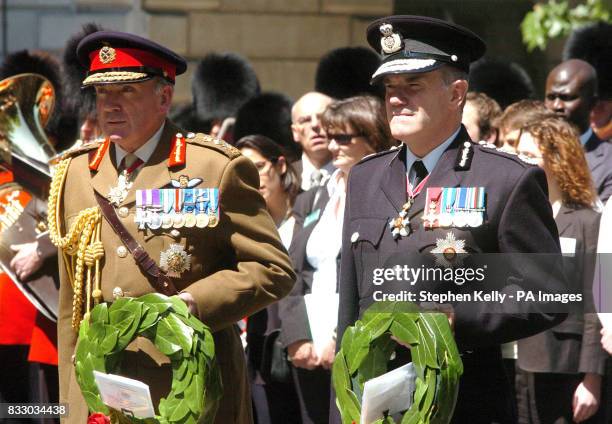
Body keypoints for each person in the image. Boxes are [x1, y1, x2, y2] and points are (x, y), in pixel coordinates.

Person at [49, 30, 295, 423]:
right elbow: (70, 310)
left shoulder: (213, 167)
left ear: (164, 98)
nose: (110, 106)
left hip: (190, 388)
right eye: (102, 94)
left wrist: (195, 302)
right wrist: (69, 406)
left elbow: (273, 269)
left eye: (127, 91)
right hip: (103, 393)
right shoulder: (73, 174)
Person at [335, 15, 568, 423]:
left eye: (413, 86)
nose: (396, 99)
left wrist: (456, 317)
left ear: (456, 92)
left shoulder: (505, 179)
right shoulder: (366, 177)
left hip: (463, 401)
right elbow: (351, 304)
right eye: (390, 88)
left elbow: (548, 292)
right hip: (372, 405)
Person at [281, 95, 393, 424]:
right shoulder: (317, 195)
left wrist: (338, 337)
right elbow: (292, 269)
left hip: (360, 347)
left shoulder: (387, 195)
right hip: (309, 349)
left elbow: (378, 277)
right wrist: (297, 336)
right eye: (330, 136)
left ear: (373, 137)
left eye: (343, 137)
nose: (332, 145)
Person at [515, 116, 606, 424]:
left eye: (529, 155)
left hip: (566, 364)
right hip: (519, 360)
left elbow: (600, 301)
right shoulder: (521, 217)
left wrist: (592, 377)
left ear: (555, 159)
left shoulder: (590, 222)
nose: (519, 161)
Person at [236, 135, 302, 424]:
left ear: (280, 165)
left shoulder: (309, 208)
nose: (253, 177)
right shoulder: (242, 221)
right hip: (261, 351)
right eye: (243, 169)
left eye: (259, 166)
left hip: (303, 345)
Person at [545, 59, 612, 203]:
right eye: (551, 97)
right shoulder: (531, 154)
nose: (557, 106)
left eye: (566, 97)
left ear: (592, 103)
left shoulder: (609, 162)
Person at [290, 92, 335, 191]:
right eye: (305, 120)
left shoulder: (353, 173)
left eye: (322, 117)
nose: (315, 125)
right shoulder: (284, 179)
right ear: (295, 132)